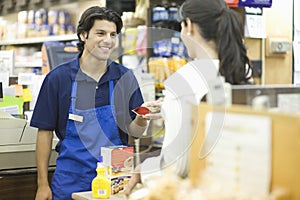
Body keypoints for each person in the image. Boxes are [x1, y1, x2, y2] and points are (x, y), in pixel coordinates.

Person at [125, 0, 253, 195]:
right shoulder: (242, 72)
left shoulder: (186, 80)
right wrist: (168, 107)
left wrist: (145, 169)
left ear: (189, 26)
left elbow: (176, 167)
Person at [30, 6, 148, 200]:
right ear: (83, 35)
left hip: (116, 181)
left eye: (113, 34)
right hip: (71, 181)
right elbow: (44, 132)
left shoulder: (124, 78)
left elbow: (135, 132)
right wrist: (42, 184)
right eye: (100, 33)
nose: (108, 40)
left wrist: (143, 120)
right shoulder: (59, 78)